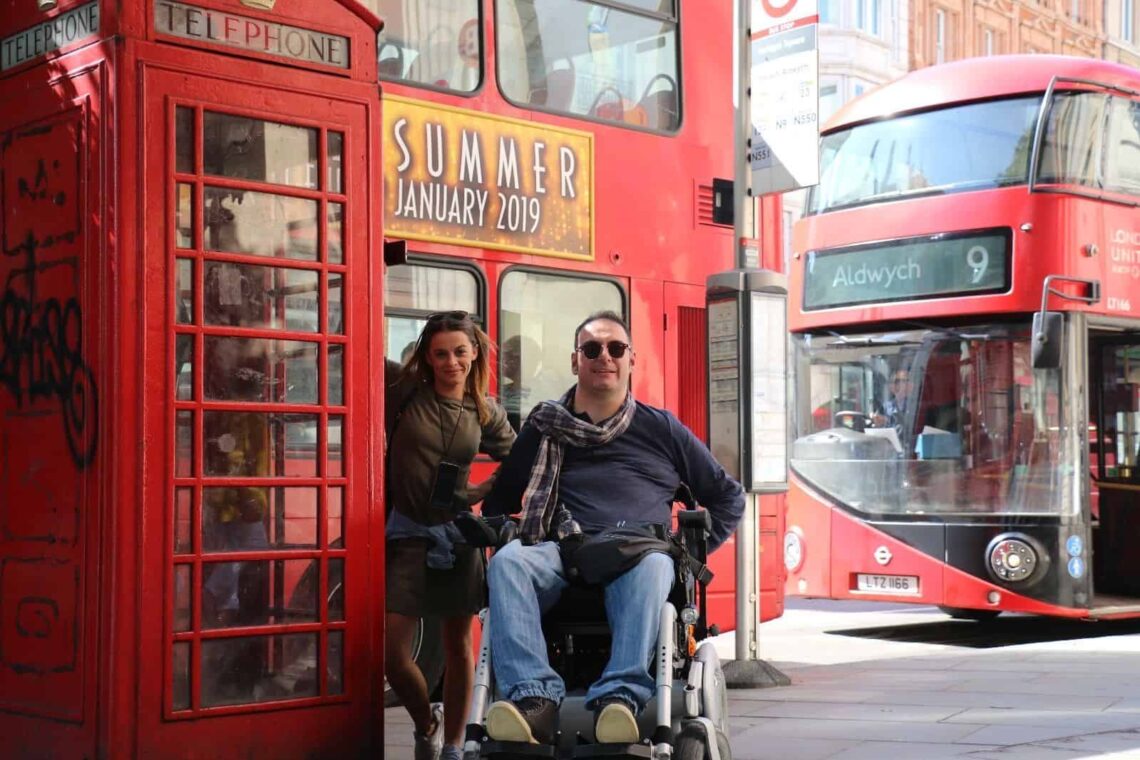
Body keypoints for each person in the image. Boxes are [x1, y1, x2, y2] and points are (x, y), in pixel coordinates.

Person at [480, 311, 745, 746]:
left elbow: (728, 497)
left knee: (656, 564)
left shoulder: (661, 429)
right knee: (508, 562)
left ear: (631, 359)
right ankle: (534, 701)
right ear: (575, 361)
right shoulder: (545, 428)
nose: (604, 356)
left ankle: (619, 697)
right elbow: (499, 504)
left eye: (615, 348)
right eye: (592, 349)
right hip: (560, 550)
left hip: (635, 553)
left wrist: (689, 555)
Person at [385, 311, 516, 760]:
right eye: (440, 354)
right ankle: (427, 723)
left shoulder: (484, 410)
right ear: (427, 356)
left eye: (460, 352)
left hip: (457, 538)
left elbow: (519, 457)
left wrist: (480, 491)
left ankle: (455, 746)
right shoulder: (404, 391)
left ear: (474, 352)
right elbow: (352, 353)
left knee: (458, 647)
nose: (451, 363)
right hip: (407, 534)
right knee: (392, 654)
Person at [499, 334, 571, 429]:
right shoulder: (502, 390)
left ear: (517, 360)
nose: (500, 361)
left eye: (505, 356)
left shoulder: (541, 393)